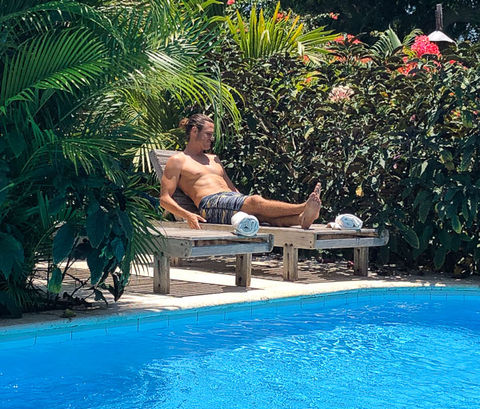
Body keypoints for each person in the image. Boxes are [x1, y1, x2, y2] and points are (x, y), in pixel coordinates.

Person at [160, 114, 322, 230]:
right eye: (208, 134)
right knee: (255, 201)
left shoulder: (213, 159)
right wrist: (188, 215)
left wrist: (249, 204)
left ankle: (301, 219)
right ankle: (302, 207)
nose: (212, 138)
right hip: (209, 205)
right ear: (194, 131)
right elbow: (164, 199)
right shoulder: (178, 160)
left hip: (231, 200)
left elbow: (232, 189)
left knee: (262, 216)